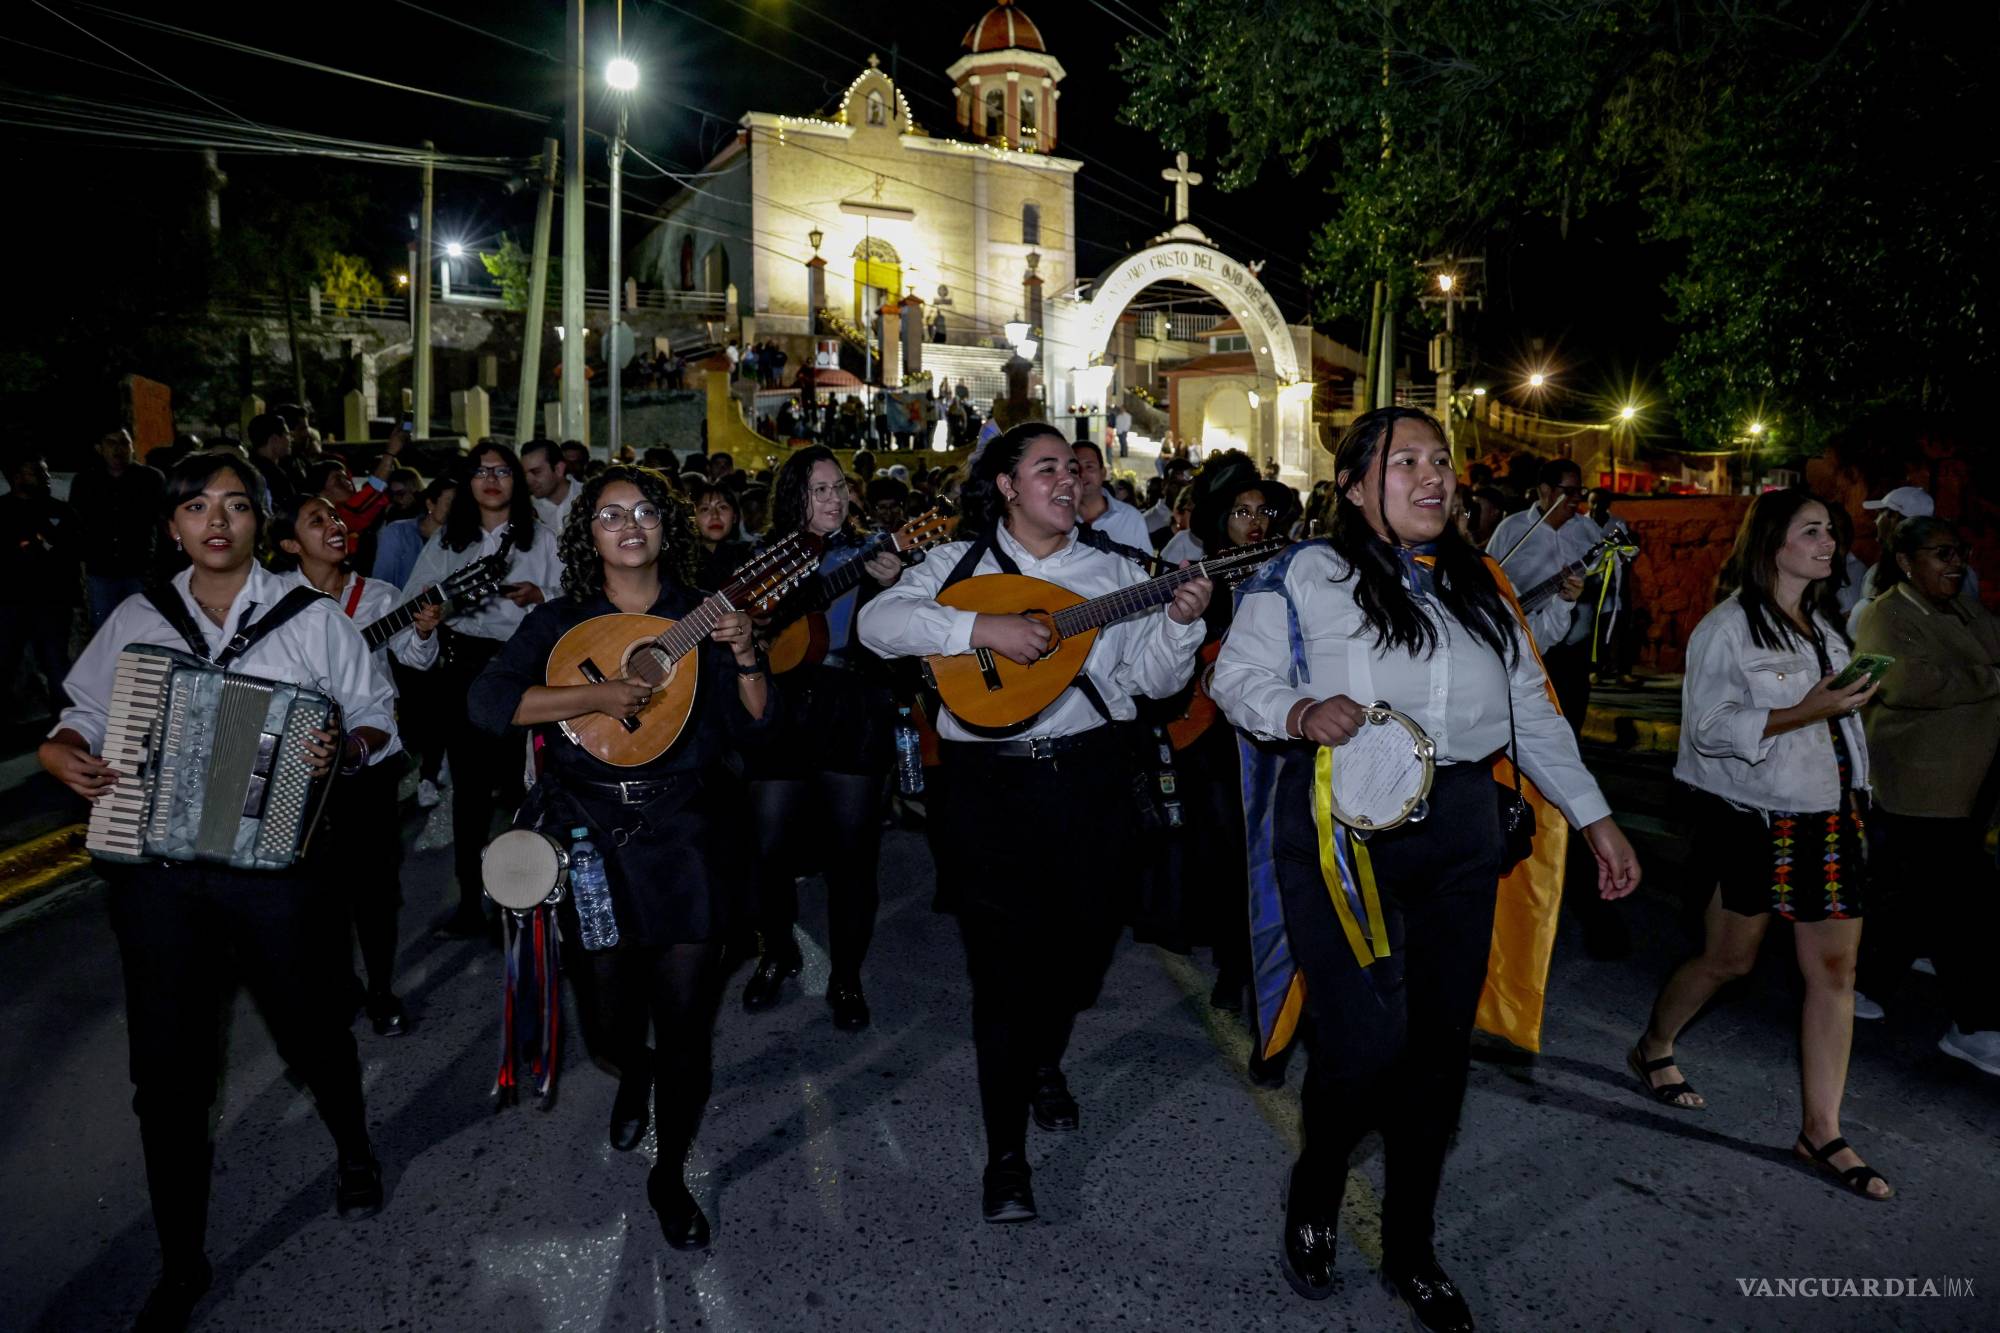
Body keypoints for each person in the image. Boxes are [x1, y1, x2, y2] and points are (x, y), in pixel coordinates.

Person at [1209, 408, 1637, 1331]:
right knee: (1365, 1042)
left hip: (1462, 827)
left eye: (1440, 459)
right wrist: (1298, 708)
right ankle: (1316, 1190)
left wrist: (1599, 820)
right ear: (1358, 484)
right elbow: (1234, 677)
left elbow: (1535, 710)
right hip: (1341, 824)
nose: (1431, 475)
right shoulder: (1307, 573)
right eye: (1405, 461)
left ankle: (1411, 1243)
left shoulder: (1484, 584)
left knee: (1438, 1050)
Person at [39, 452, 392, 1330]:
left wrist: (341, 749)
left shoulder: (310, 620)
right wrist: (61, 746)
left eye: (236, 505)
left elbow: (375, 711)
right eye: (196, 505)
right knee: (166, 1076)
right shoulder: (136, 617)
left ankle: (353, 1148)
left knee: (313, 1031)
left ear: (259, 523)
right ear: (173, 526)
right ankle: (182, 1258)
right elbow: (82, 708)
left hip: (277, 873)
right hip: (158, 876)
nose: (217, 520)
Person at [858, 423, 1212, 1223]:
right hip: (989, 791)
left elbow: (1151, 679)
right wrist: (981, 629)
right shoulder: (955, 565)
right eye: (1045, 466)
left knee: (1081, 961)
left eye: (1074, 467)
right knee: (1002, 975)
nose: (1068, 477)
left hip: (1090, 783)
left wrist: (1183, 620)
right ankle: (1006, 1156)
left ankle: (1045, 1056)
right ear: (1008, 487)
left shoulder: (1120, 571)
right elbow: (877, 626)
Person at [469, 466, 773, 1250]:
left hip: (686, 835)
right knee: (606, 1025)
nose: (630, 524)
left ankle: (669, 1173)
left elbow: (756, 730)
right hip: (592, 837)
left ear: (665, 528)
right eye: (610, 514)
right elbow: (487, 702)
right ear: (589, 534)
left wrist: (745, 654)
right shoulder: (566, 625)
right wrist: (594, 698)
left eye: (643, 512)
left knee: (685, 1027)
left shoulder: (703, 616)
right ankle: (628, 1069)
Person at [1632, 490, 1893, 1200]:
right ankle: (1655, 1044)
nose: (1830, 542)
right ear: (1773, 542)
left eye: (1832, 532)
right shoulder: (1728, 629)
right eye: (1812, 531)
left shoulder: (1826, 626)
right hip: (1755, 820)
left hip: (1834, 818)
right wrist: (1815, 704)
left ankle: (1821, 1129)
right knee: (1728, 959)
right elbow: (1712, 727)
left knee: (1835, 973)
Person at [741, 448, 906, 1028]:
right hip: (781, 707)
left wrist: (894, 582)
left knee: (852, 857)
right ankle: (778, 950)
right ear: (793, 497)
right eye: (818, 489)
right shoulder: (764, 558)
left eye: (839, 486)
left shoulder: (873, 550)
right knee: (765, 851)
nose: (834, 498)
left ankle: (846, 976)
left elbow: (902, 629)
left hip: (850, 702)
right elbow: (740, 627)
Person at [270, 494, 443, 1036]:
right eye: (317, 521)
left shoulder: (381, 597)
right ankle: (338, 983)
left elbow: (416, 661)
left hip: (371, 755)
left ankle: (381, 988)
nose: (336, 526)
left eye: (338, 518)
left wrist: (422, 629)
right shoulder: (276, 599)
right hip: (299, 759)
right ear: (290, 545)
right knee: (315, 884)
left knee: (374, 884)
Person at [1851, 516, 2000, 1075]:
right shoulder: (1885, 614)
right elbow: (1906, 683)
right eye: (1942, 553)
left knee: (1905, 893)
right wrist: (1991, 678)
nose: (1956, 562)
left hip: (1969, 783)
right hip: (1919, 782)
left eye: (1959, 550)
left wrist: (1972, 670)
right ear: (1908, 562)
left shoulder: (1961, 608)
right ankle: (1978, 1024)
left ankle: (1864, 984)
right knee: (1969, 907)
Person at [402, 442, 561, 937]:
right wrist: (429, 619)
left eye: (500, 471)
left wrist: (542, 596)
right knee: (469, 793)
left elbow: (576, 601)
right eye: (479, 471)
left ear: (516, 479)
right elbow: (413, 604)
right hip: (464, 669)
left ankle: (526, 899)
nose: (490, 479)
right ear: (468, 483)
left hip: (523, 667)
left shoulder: (544, 540)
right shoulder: (450, 542)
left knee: (523, 787)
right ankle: (471, 901)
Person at [0, 445, 81, 718]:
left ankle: (66, 723)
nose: (45, 478)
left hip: (52, 601)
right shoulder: (3, 511)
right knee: (6, 661)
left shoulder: (60, 511)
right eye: (36, 472)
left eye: (45, 471)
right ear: (16, 477)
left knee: (55, 662)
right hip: (10, 602)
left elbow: (70, 551)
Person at [1846, 486, 1980, 639]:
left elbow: (1873, 659)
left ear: (1894, 517)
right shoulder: (1966, 573)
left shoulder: (1876, 579)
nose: (1876, 521)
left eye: (1880, 514)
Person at [68, 428, 166, 628]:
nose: (118, 449)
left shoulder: (151, 479)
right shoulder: (86, 481)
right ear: (100, 448)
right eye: (111, 443)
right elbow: (76, 523)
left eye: (124, 443)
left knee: (141, 629)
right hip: (101, 569)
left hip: (140, 567)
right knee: (105, 629)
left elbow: (165, 521)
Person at [1071, 439, 1153, 559]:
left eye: (1089, 466)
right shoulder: (1055, 519)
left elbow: (1147, 568)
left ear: (1103, 473)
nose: (1082, 474)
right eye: (1075, 469)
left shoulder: (1131, 518)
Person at [689, 480, 753, 593]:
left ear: (735, 517)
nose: (715, 515)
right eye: (705, 509)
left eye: (722, 507)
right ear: (693, 518)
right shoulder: (681, 561)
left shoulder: (747, 558)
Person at [521, 438, 581, 533]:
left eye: (536, 472)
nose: (529, 480)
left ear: (559, 469)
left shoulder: (589, 497)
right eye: (525, 474)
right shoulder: (525, 507)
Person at [245, 412, 303, 510]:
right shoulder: (274, 476)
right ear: (274, 439)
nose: (290, 440)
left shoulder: (247, 467)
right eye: (287, 435)